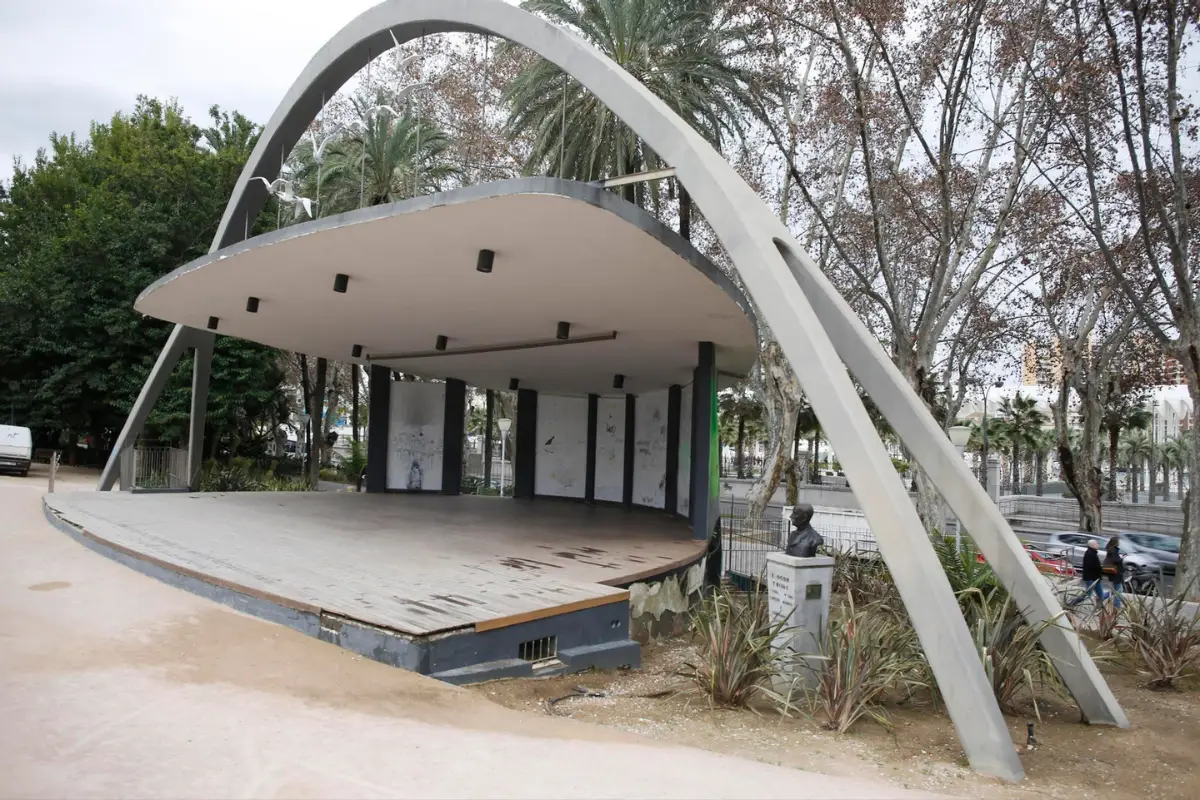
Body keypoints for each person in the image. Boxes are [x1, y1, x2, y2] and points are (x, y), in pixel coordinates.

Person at [1068, 539, 1107, 608]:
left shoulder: (1092, 553)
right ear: (1092, 545)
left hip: (1096, 578)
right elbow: (1091, 566)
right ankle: (1073, 602)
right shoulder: (1090, 554)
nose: (1098, 545)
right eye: (1096, 544)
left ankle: (1099, 608)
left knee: (1101, 595)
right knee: (1087, 594)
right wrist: (1100, 567)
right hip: (1091, 578)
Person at [1103, 536, 1125, 608]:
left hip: (1113, 573)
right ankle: (1116, 606)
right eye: (1118, 541)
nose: (1119, 542)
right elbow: (1116, 560)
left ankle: (1101, 597)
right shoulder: (1114, 550)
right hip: (1116, 573)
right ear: (1115, 542)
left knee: (1115, 590)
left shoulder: (1110, 549)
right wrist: (1122, 558)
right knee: (1118, 591)